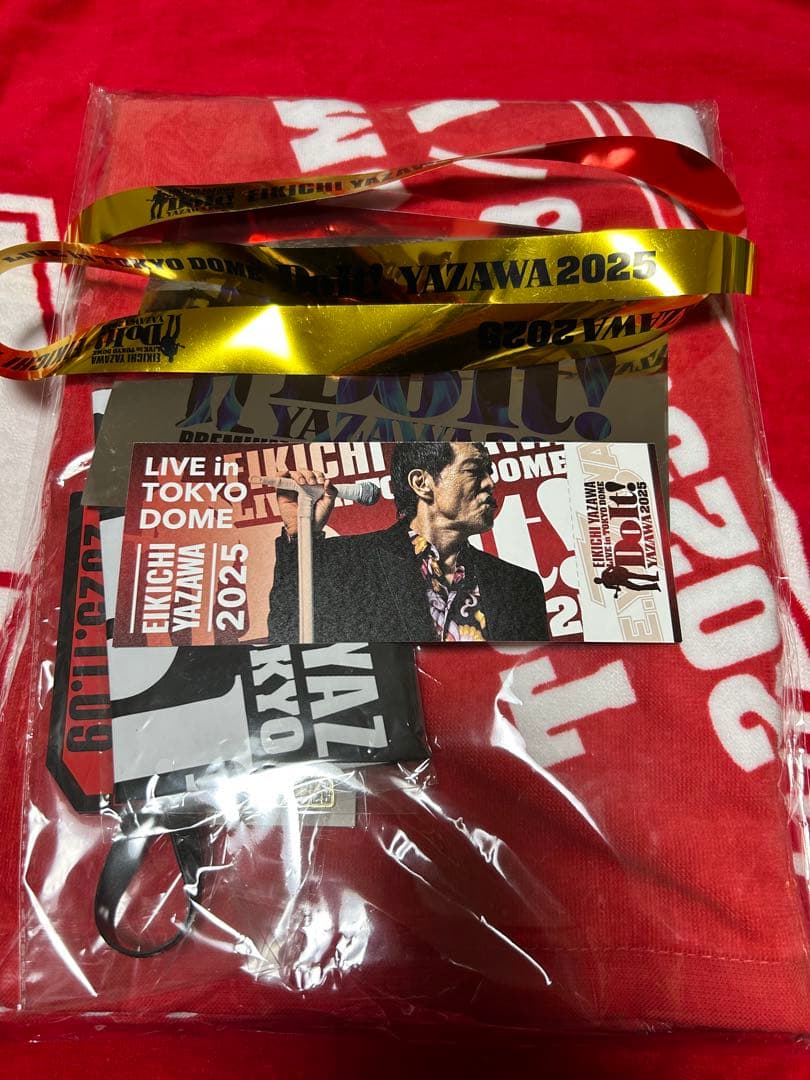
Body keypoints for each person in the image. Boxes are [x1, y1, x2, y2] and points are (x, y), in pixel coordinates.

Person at [267, 442, 549, 643]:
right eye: (475, 470)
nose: (490, 483)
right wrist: (302, 534)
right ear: (422, 483)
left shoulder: (520, 586)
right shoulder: (347, 564)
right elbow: (286, 641)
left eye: (489, 471)